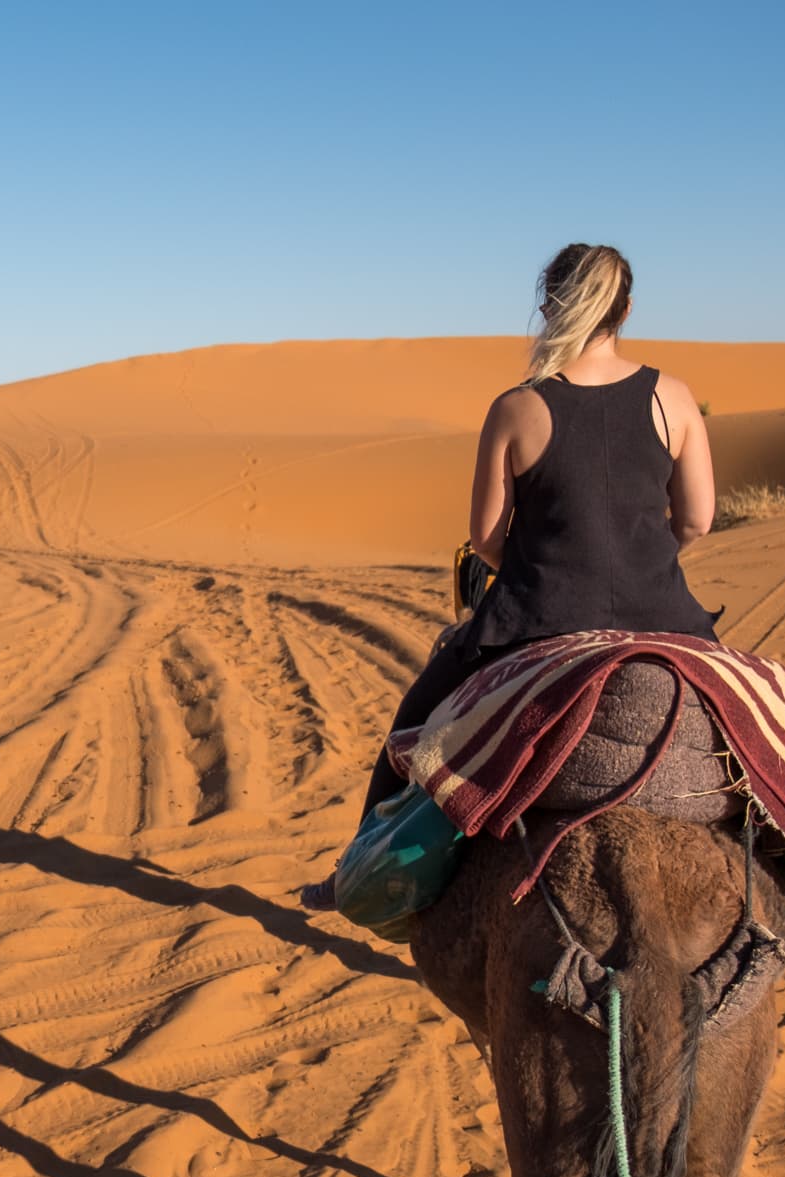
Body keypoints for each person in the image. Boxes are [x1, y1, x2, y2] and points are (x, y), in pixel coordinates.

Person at [301, 242, 720, 910]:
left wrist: (546, 566)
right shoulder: (674, 398)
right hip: (663, 615)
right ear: (628, 309)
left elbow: (486, 538)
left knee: (409, 737)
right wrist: (642, 560)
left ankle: (357, 876)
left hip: (538, 617)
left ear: (550, 306)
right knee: (754, 739)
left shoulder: (517, 408)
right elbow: (698, 518)